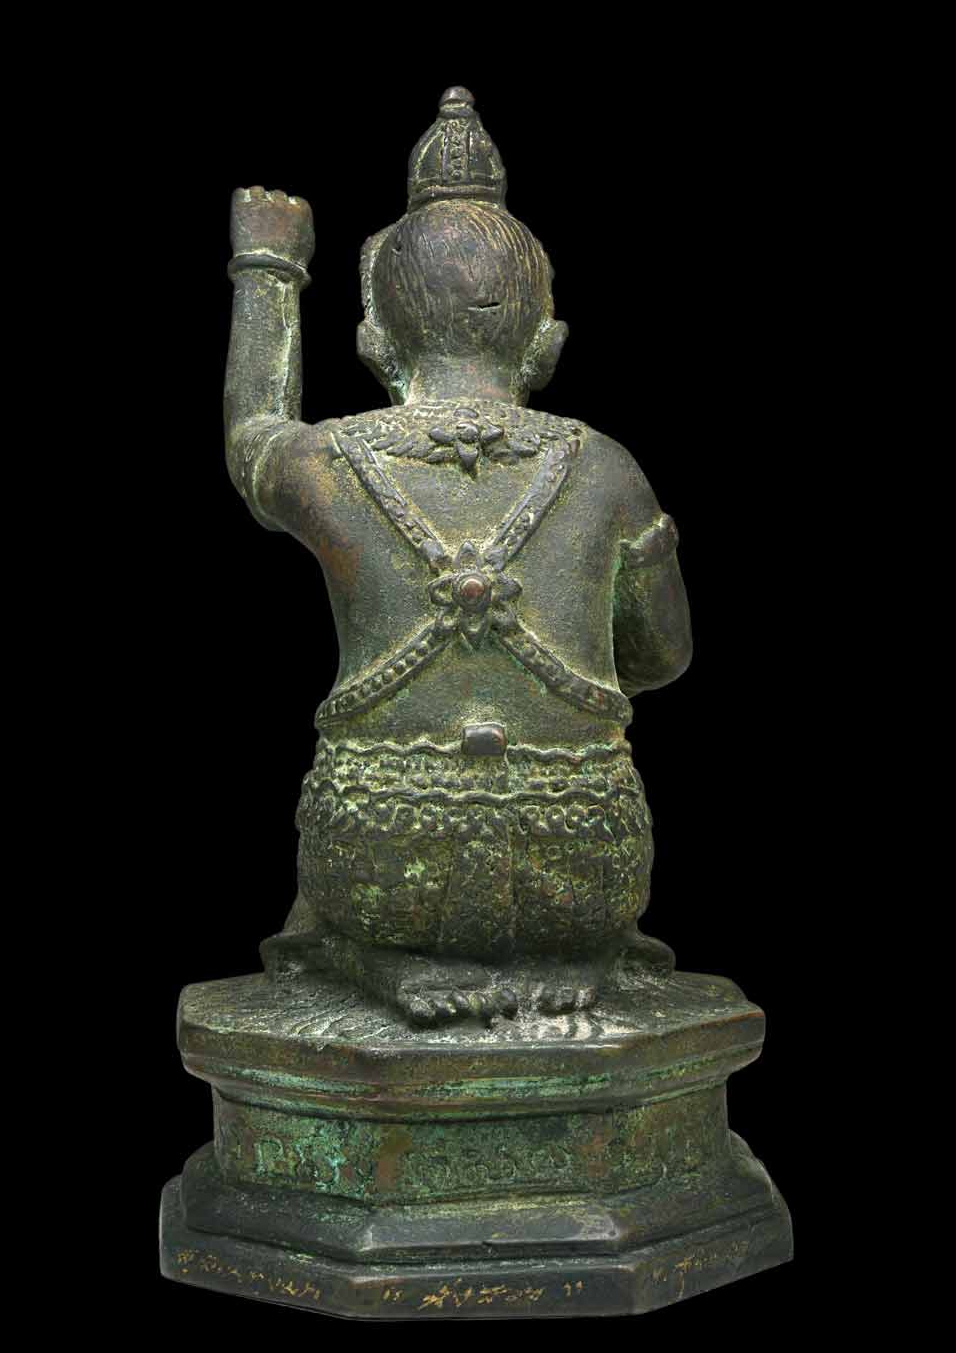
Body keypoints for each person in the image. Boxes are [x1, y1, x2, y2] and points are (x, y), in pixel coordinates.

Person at [223, 90, 692, 1025]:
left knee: (349, 888)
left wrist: (268, 269)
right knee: (592, 858)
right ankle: (575, 966)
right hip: (581, 859)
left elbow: (252, 435)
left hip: (383, 848)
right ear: (546, 339)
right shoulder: (607, 467)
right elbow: (663, 656)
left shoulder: (333, 460)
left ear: (373, 339)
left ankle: (372, 963)